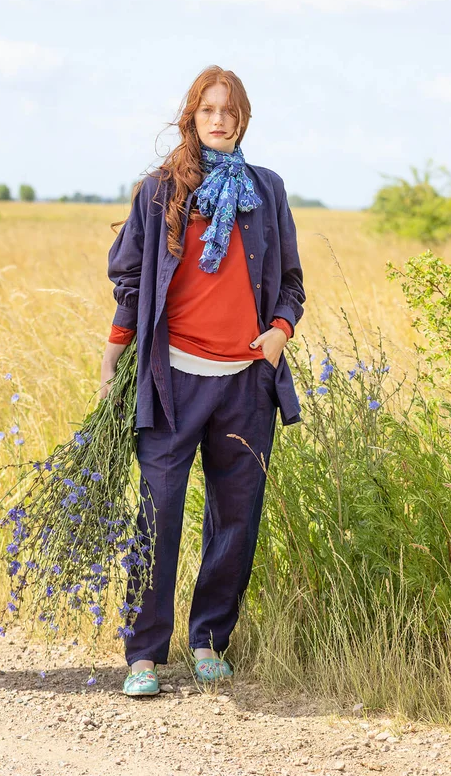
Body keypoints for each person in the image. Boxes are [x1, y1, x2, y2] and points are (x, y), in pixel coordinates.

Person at [101, 65, 306, 696]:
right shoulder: (160, 191)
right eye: (209, 110)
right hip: (173, 380)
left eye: (231, 110)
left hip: (246, 383)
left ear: (244, 119)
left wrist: (279, 331)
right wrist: (114, 356)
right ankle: (144, 654)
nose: (220, 119)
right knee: (158, 513)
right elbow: (131, 280)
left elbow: (291, 282)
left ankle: (210, 640)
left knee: (236, 518)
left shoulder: (266, 190)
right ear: (191, 116)